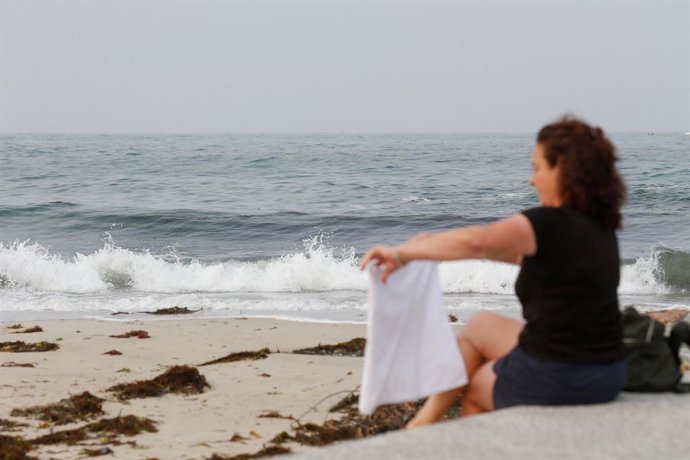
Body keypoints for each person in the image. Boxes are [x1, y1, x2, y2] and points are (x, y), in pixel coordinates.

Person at [360, 116, 628, 428]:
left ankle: (435, 435)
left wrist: (400, 253)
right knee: (480, 326)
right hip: (608, 370)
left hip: (565, 373)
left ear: (562, 170)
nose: (532, 179)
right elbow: (513, 254)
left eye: (537, 168)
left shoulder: (546, 222)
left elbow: (477, 242)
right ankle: (420, 425)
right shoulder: (599, 225)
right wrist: (428, 247)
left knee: (476, 389)